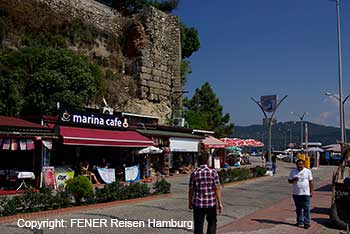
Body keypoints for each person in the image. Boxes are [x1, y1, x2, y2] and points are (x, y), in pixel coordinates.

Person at [188, 154, 223, 234]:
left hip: (198, 204)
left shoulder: (194, 173)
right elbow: (217, 188)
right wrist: (220, 203)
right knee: (212, 222)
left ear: (198, 162)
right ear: (207, 161)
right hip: (211, 203)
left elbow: (191, 189)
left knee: (198, 225)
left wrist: (190, 202)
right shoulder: (213, 172)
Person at [288, 159, 313, 229]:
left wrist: (311, 192)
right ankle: (299, 221)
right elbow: (289, 181)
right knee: (298, 209)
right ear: (296, 165)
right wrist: (293, 180)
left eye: (301, 164)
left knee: (306, 208)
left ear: (303, 164)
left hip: (305, 193)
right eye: (298, 164)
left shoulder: (308, 171)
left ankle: (307, 223)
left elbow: (311, 182)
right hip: (296, 193)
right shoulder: (293, 171)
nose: (300, 166)